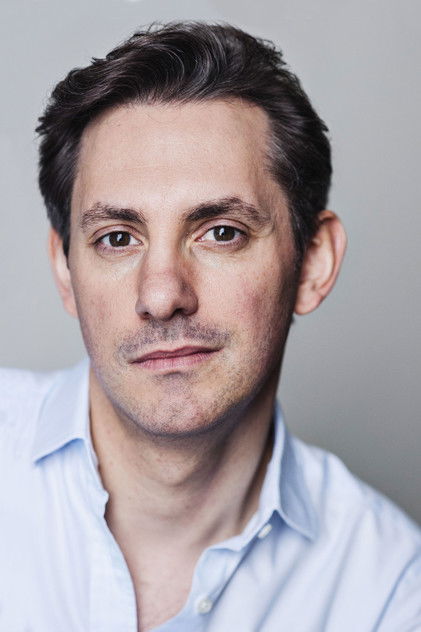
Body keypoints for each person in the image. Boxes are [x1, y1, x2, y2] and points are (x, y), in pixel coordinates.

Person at [0, 21, 419, 632]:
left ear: (313, 263)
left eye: (222, 232)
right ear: (65, 271)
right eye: (117, 238)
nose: (162, 295)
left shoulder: (392, 593)